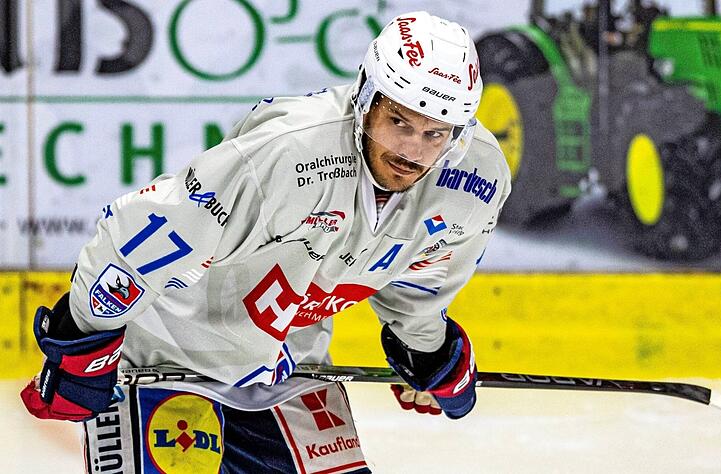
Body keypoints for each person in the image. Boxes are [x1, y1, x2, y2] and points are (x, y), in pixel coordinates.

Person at [21, 11, 510, 473]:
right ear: (366, 99)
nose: (411, 150)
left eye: (434, 133)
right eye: (398, 122)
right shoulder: (290, 153)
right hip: (166, 362)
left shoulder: (474, 180)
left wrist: (428, 353)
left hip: (291, 368)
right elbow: (135, 237)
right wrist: (82, 343)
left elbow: (417, 285)